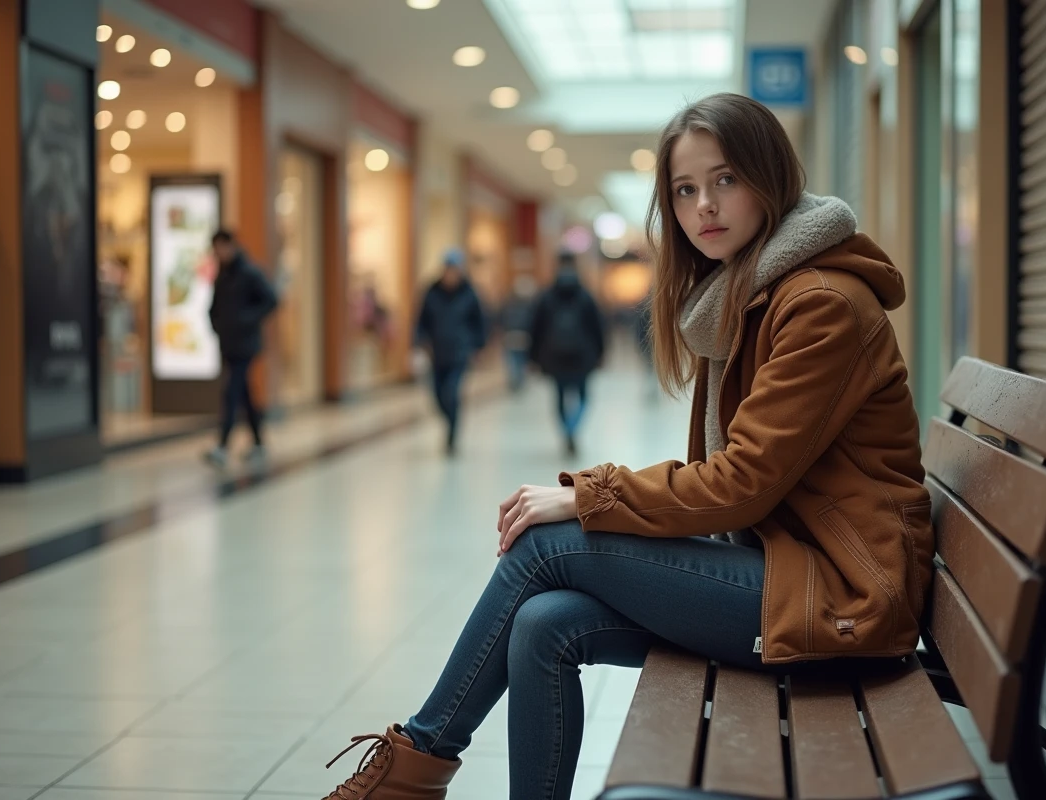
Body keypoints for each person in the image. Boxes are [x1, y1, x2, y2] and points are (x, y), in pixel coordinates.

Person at [317, 93, 933, 800]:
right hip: (785, 571)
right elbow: (735, 482)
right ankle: (419, 772)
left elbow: (741, 484)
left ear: (771, 176)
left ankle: (414, 769)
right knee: (542, 624)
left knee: (543, 546)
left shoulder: (819, 303)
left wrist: (590, 495)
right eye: (685, 190)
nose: (704, 206)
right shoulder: (747, 294)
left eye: (726, 179)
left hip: (844, 600)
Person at [205, 230, 278, 468]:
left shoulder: (250, 272)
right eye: (216, 249)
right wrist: (216, 326)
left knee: (231, 392)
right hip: (229, 343)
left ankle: (222, 445)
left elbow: (271, 299)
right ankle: (258, 441)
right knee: (244, 394)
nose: (219, 253)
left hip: (246, 345)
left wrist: (247, 320)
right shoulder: (223, 275)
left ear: (231, 246)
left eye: (222, 247)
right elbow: (214, 307)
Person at [528, 253, 607, 455]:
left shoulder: (546, 296)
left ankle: (566, 430)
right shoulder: (585, 296)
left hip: (554, 356)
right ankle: (574, 427)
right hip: (583, 356)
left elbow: (536, 328)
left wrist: (533, 357)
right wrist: (601, 353)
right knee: (583, 396)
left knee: (560, 396)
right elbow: (597, 327)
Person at [414, 249, 487, 454]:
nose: (451, 274)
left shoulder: (469, 294)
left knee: (451, 393)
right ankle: (449, 419)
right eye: (448, 269)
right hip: (437, 354)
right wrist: (419, 343)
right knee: (437, 395)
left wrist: (478, 346)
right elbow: (421, 321)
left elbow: (480, 322)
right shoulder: (431, 292)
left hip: (459, 353)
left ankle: (452, 434)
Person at [497, 275, 539, 392]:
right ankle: (518, 380)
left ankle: (517, 380)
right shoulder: (529, 306)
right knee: (518, 360)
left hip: (513, 336)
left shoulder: (510, 304)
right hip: (518, 336)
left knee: (515, 360)